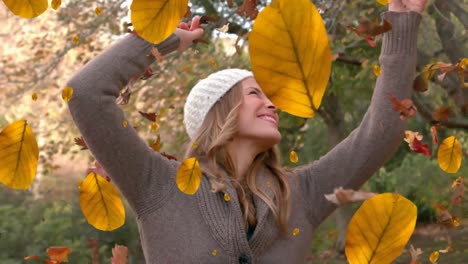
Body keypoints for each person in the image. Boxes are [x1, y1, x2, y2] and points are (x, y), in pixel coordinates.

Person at [67, 0, 428, 262]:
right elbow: (85, 94)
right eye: (256, 93)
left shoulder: (302, 192)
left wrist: (402, 22)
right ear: (218, 112)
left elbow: (380, 133)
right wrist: (164, 41)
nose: (272, 104)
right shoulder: (157, 186)